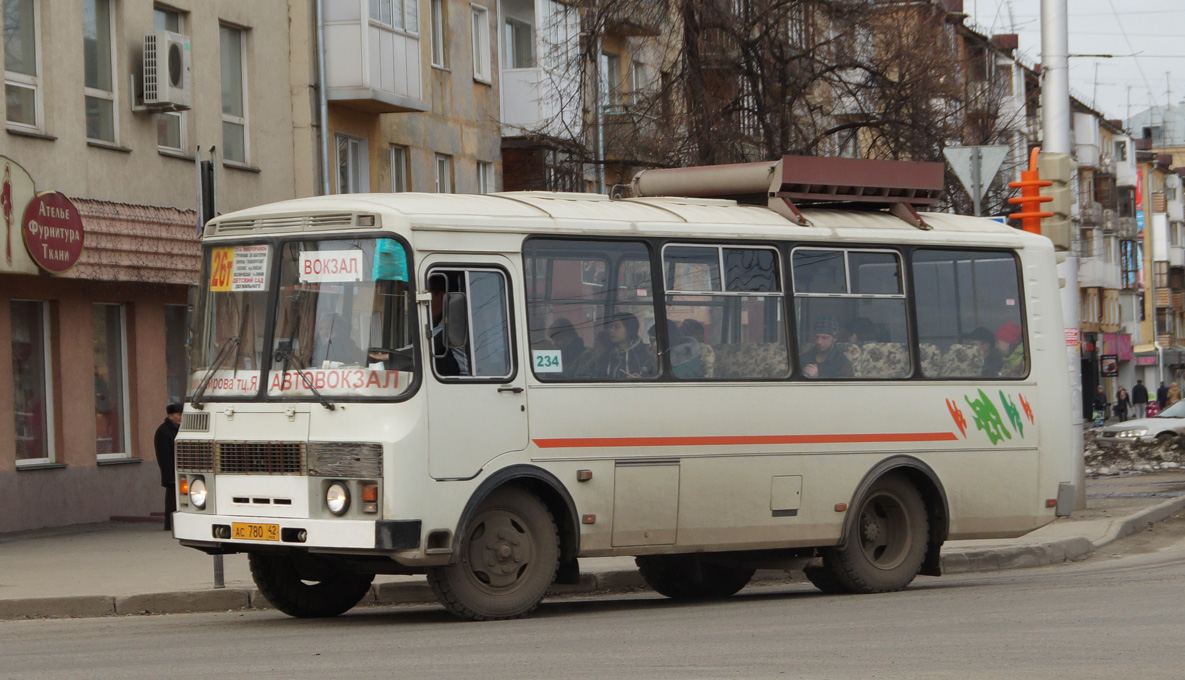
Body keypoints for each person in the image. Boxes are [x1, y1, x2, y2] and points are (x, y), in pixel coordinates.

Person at [429, 276, 468, 376]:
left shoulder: (454, 320)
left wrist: (390, 356)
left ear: (442, 296)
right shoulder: (438, 320)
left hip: (465, 378)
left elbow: (429, 345)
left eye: (428, 295)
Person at [154, 403, 183, 532]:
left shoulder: (180, 428)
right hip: (171, 471)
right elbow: (163, 456)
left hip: (181, 469)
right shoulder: (163, 431)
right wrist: (169, 475)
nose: (181, 417)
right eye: (179, 414)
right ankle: (170, 524)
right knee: (172, 499)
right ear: (170, 416)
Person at [603, 312, 654, 379]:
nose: (611, 330)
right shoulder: (608, 353)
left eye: (616, 327)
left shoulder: (645, 354)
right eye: (610, 327)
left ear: (629, 330)